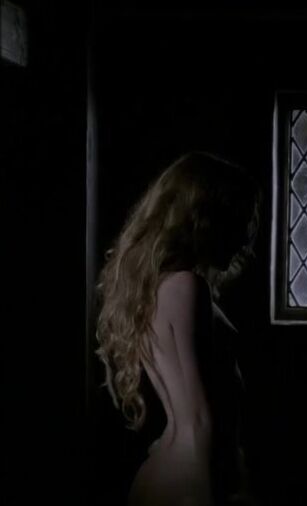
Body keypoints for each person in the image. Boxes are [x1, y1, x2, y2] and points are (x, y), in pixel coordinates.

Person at [95, 152, 261, 506]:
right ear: (206, 218)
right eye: (237, 221)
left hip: (175, 470)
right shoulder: (187, 287)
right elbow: (199, 418)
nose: (243, 240)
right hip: (191, 480)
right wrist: (210, 493)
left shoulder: (163, 287)